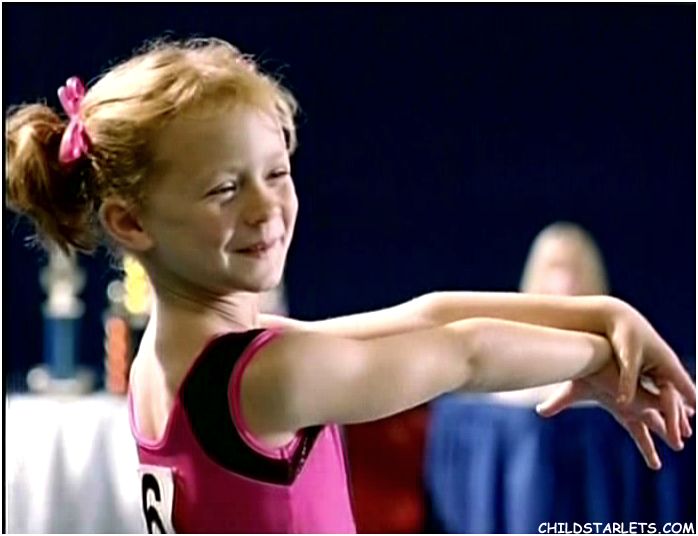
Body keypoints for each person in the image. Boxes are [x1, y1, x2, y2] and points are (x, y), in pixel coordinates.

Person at [5, 37, 695, 533]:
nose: (266, 208)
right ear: (129, 222)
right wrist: (602, 356)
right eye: (223, 189)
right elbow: (466, 353)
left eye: (277, 173)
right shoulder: (264, 378)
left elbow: (425, 315)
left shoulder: (187, 359)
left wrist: (600, 315)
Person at [493, 221, 611, 405]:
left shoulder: (613, 351)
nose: (565, 281)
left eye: (575, 268)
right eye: (556, 267)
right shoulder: (510, 352)